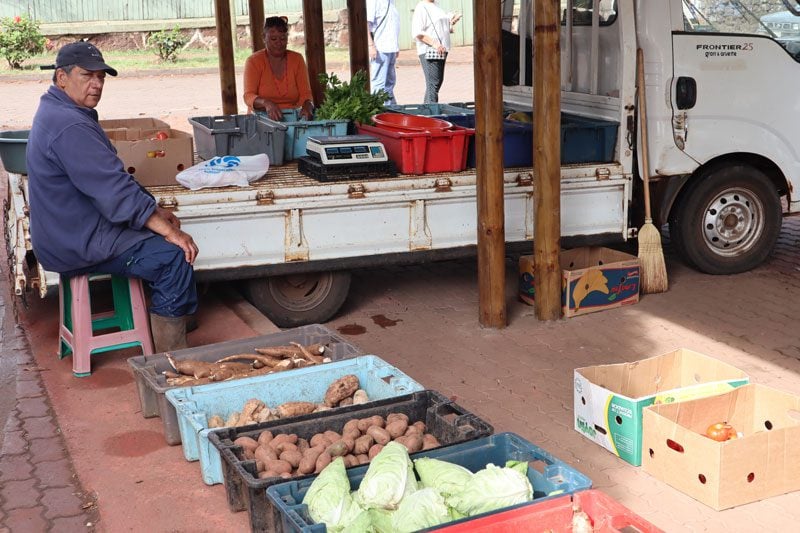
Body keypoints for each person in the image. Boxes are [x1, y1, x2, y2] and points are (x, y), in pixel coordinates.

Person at [26, 41, 199, 353]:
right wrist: (168, 230)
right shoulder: (68, 124)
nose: (96, 84)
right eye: (87, 76)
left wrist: (155, 212)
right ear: (62, 77)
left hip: (72, 229)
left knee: (167, 237)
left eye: (101, 78)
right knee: (174, 255)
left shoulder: (60, 110)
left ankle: (177, 314)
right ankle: (173, 360)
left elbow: (113, 177)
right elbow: (114, 193)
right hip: (75, 241)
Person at [243, 16, 314, 120]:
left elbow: (306, 95)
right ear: (264, 38)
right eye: (273, 39)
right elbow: (248, 96)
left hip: (293, 118)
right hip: (262, 119)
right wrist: (266, 103)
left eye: (283, 38)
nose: (278, 43)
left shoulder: (297, 59)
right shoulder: (253, 61)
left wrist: (308, 105)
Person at [412, 0, 462, 103]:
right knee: (433, 84)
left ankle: (427, 113)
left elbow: (440, 28)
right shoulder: (422, 7)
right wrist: (434, 44)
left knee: (436, 82)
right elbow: (417, 32)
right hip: (430, 50)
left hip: (441, 50)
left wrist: (451, 22)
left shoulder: (436, 6)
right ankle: (431, 113)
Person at [367, 0, 400, 105]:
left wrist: (396, 46)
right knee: (379, 84)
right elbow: (366, 24)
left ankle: (390, 109)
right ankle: (377, 112)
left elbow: (392, 25)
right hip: (381, 48)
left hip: (391, 48)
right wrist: (371, 45)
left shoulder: (391, 2)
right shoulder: (374, 1)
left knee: (389, 83)